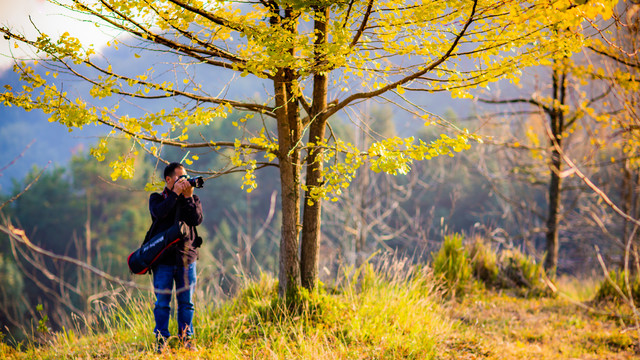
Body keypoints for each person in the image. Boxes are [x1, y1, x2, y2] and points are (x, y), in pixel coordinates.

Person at [148, 162, 203, 353]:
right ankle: (161, 340)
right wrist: (175, 194)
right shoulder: (157, 198)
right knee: (162, 304)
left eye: (185, 178)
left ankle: (186, 339)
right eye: (180, 178)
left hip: (187, 259)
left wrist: (187, 197)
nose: (184, 181)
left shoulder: (192, 198)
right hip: (163, 260)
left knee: (186, 303)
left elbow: (196, 220)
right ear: (168, 180)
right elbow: (160, 213)